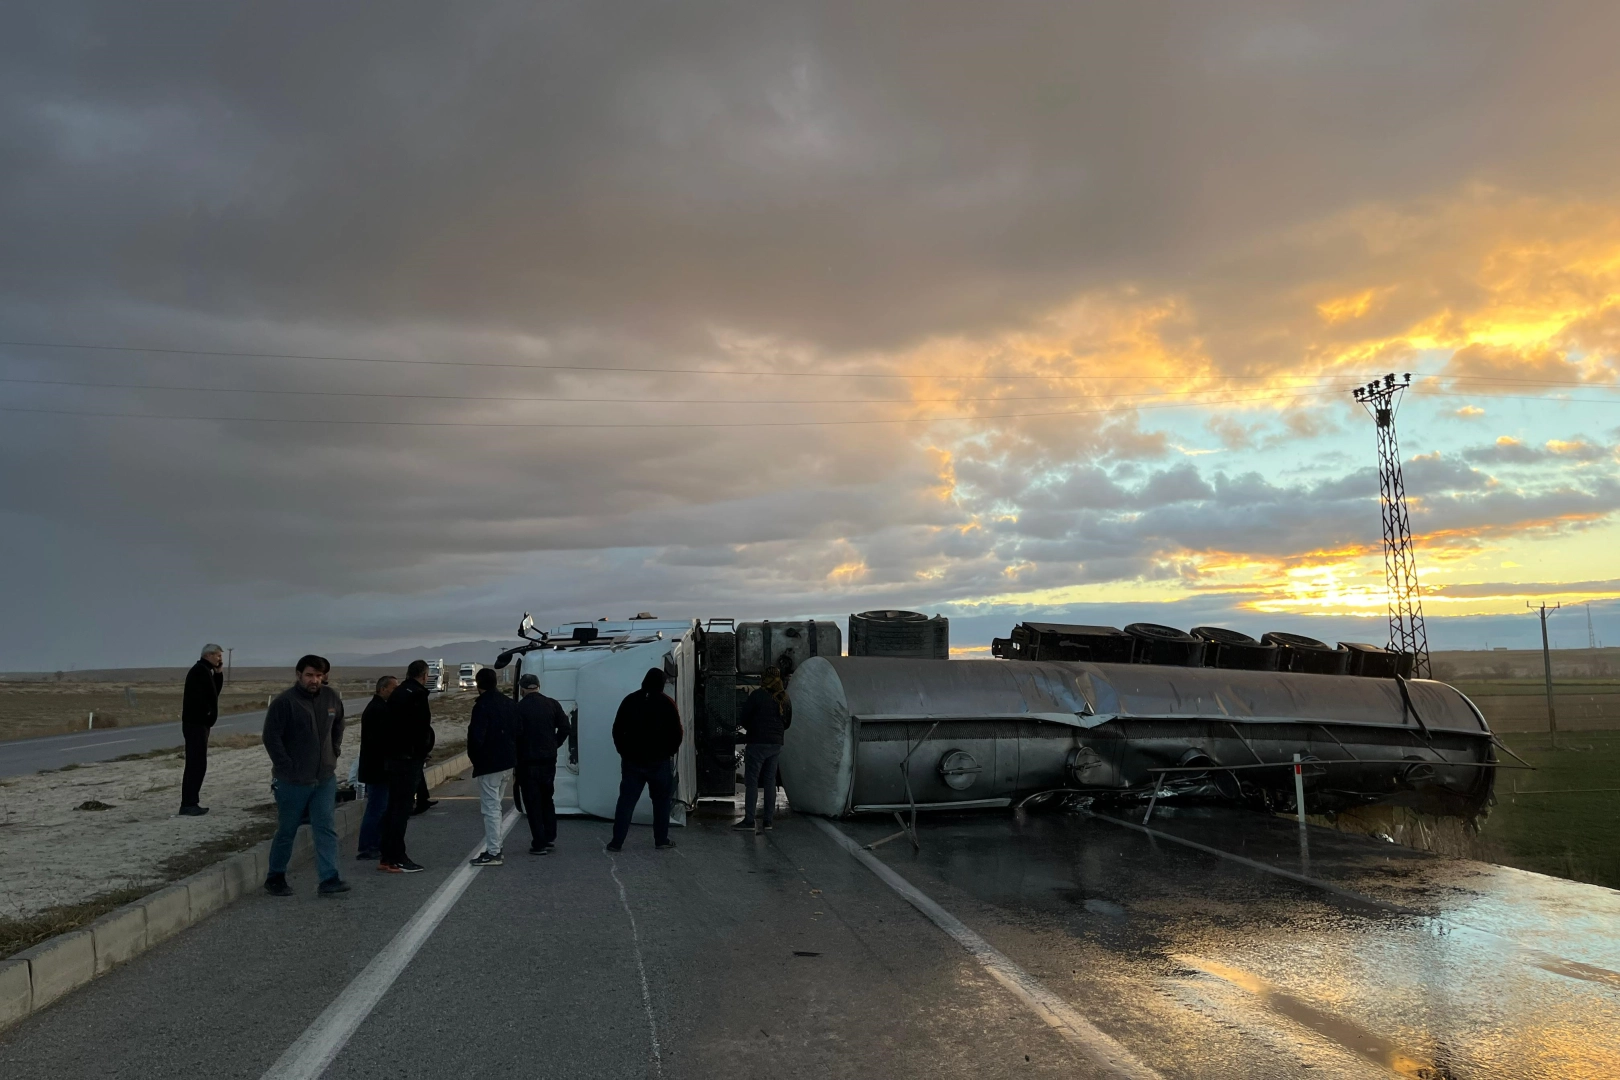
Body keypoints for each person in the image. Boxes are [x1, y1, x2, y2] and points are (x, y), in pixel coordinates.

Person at [262, 655, 349, 896]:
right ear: (299, 674)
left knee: (325, 827)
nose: (315, 680)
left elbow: (339, 725)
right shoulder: (285, 702)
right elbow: (271, 737)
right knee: (287, 830)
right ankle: (275, 876)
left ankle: (329, 879)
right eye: (310, 675)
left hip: (324, 779)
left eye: (319, 676)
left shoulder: (331, 698)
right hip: (292, 781)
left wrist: (334, 751)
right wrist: (286, 766)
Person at [607, 667, 684, 852]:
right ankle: (661, 839)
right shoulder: (667, 703)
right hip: (659, 762)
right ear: (662, 683)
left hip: (632, 761)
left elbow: (617, 729)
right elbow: (677, 732)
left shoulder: (630, 700)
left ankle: (616, 842)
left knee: (626, 802)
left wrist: (624, 752)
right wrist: (669, 752)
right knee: (661, 802)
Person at [379, 659, 434, 873]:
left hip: (394, 759)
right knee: (401, 811)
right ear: (424, 675)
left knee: (393, 808)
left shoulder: (398, 693)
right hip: (407, 760)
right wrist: (422, 752)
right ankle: (397, 857)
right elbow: (420, 729)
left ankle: (387, 855)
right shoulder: (416, 695)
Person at [514, 672, 570, 854]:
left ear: (522, 688)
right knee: (547, 798)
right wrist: (554, 743)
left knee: (532, 802)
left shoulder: (519, 708)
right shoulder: (552, 704)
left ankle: (539, 842)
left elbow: (514, 736)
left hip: (527, 762)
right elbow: (565, 727)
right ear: (538, 686)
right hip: (548, 760)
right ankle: (549, 835)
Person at [467, 667, 517, 866]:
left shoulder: (482, 706)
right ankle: (495, 846)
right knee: (496, 806)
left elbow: (476, 737)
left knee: (491, 808)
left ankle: (494, 851)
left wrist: (476, 760)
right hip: (507, 761)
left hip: (489, 764)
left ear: (478, 684)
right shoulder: (509, 704)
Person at [734, 666, 792, 832]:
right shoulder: (784, 698)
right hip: (776, 744)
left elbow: (744, 719)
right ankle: (768, 821)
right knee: (769, 781)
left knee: (752, 782)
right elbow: (787, 722)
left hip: (757, 743)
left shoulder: (757, 695)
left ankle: (749, 820)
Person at [179, 644, 225, 816]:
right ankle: (188, 803)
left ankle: (191, 802)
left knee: (198, 763)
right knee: (195, 764)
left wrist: (219, 674)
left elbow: (214, 693)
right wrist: (207, 714)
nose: (220, 659)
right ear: (208, 655)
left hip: (200, 724)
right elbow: (200, 699)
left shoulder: (206, 671)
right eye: (218, 655)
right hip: (195, 724)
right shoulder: (199, 671)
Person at [355, 674, 397, 861]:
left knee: (381, 807)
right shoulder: (377, 710)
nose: (395, 691)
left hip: (379, 766)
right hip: (377, 768)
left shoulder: (382, 708)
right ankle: (367, 846)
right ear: (382, 689)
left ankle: (376, 842)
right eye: (393, 688)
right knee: (376, 808)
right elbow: (381, 741)